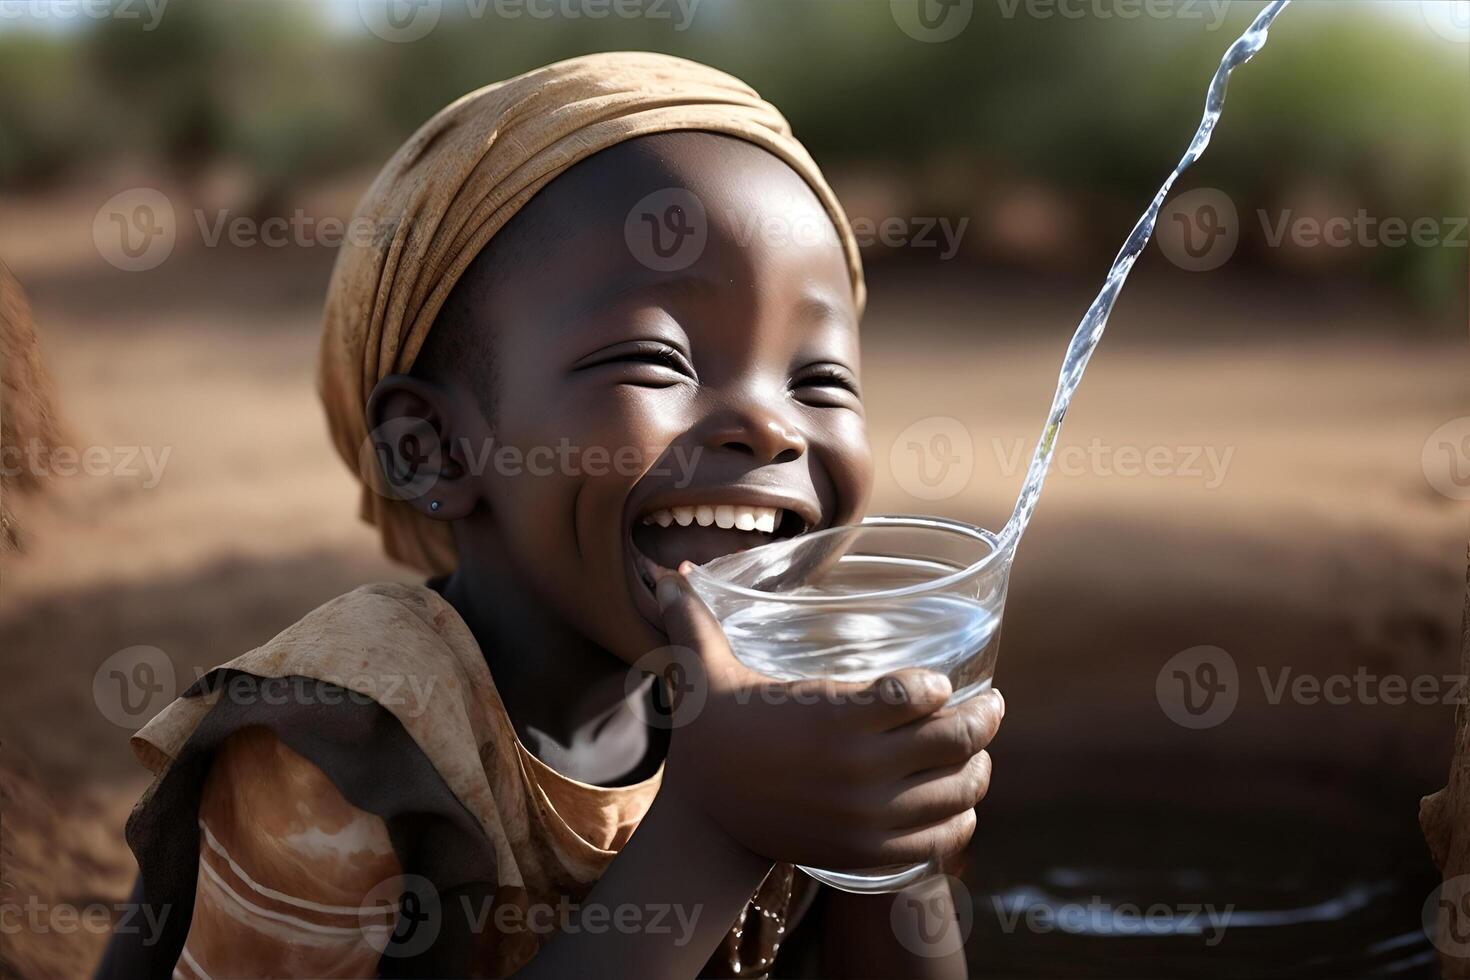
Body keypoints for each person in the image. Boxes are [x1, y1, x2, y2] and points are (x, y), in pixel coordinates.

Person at [100, 52, 1004, 979]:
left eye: (819, 380)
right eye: (658, 360)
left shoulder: (767, 707)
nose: (771, 428)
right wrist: (717, 829)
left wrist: (889, 854)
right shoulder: (341, 740)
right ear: (434, 450)